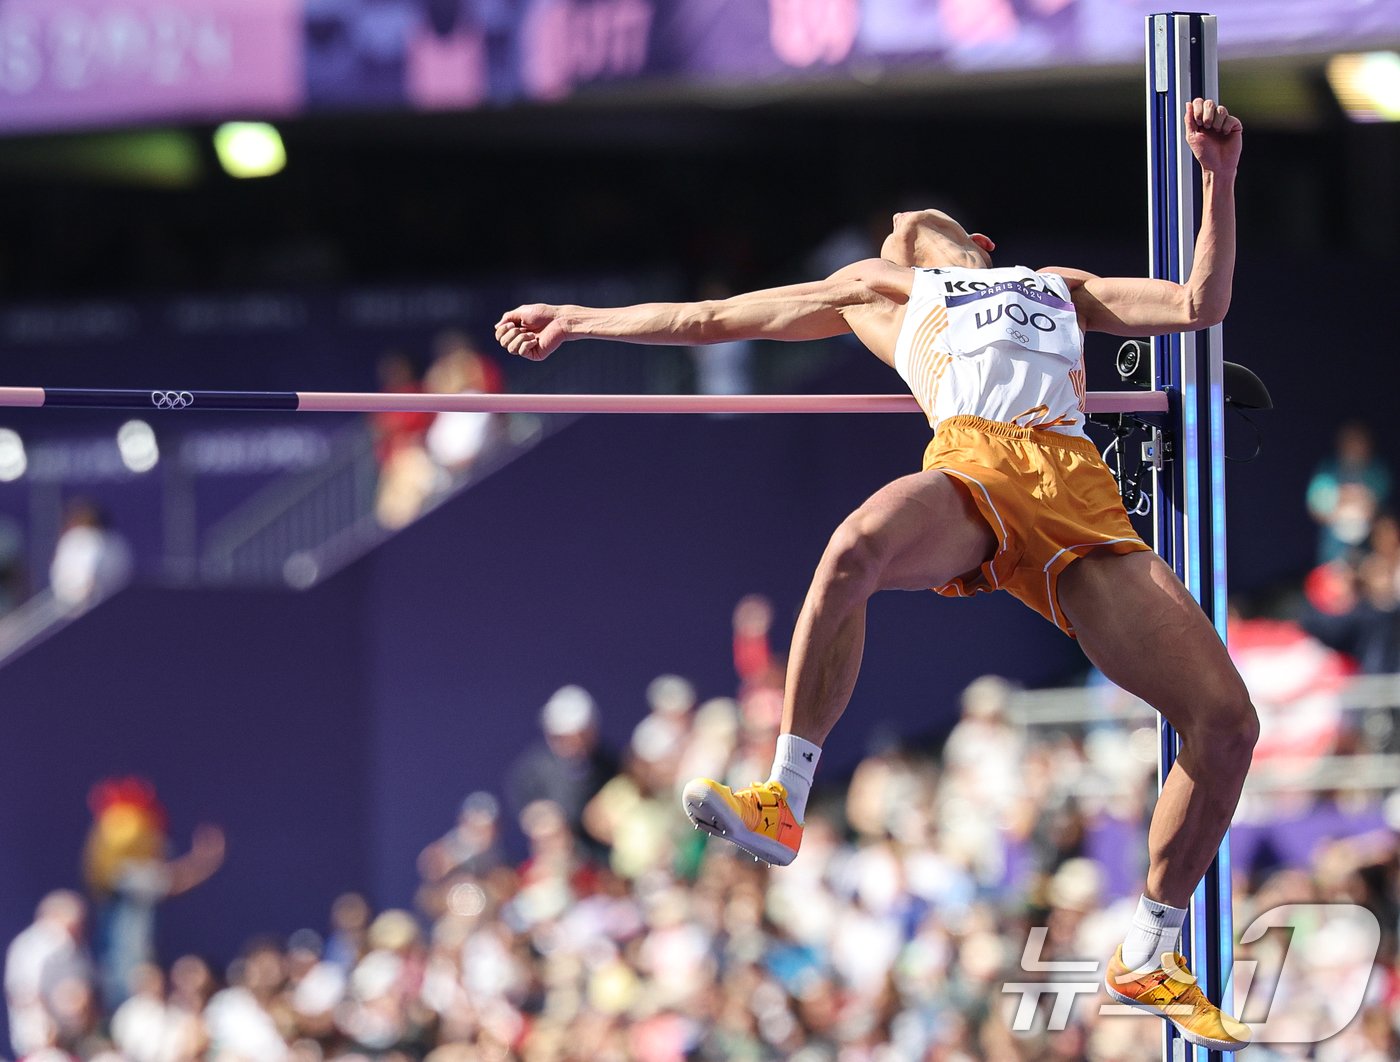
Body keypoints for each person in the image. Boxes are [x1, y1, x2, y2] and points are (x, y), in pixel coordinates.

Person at [494, 99, 1253, 1050]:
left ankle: (1150, 948)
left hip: (1078, 491)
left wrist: (1218, 178)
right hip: (973, 470)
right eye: (890, 235)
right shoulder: (877, 292)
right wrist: (581, 320)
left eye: (913, 225)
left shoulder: (1054, 283)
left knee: (1227, 725)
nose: (897, 233)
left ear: (973, 242)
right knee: (853, 548)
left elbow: (1197, 305)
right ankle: (782, 798)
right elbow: (721, 317)